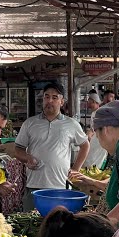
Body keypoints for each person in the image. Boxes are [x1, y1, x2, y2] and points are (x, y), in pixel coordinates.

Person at [14, 84, 90, 212]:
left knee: (57, 227)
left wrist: (76, 169)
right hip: (34, 186)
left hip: (60, 187)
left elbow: (85, 145)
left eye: (55, 97)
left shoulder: (71, 124)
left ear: (62, 102)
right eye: (46, 97)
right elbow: (18, 149)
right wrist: (27, 157)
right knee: (30, 225)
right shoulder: (30, 123)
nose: (50, 101)